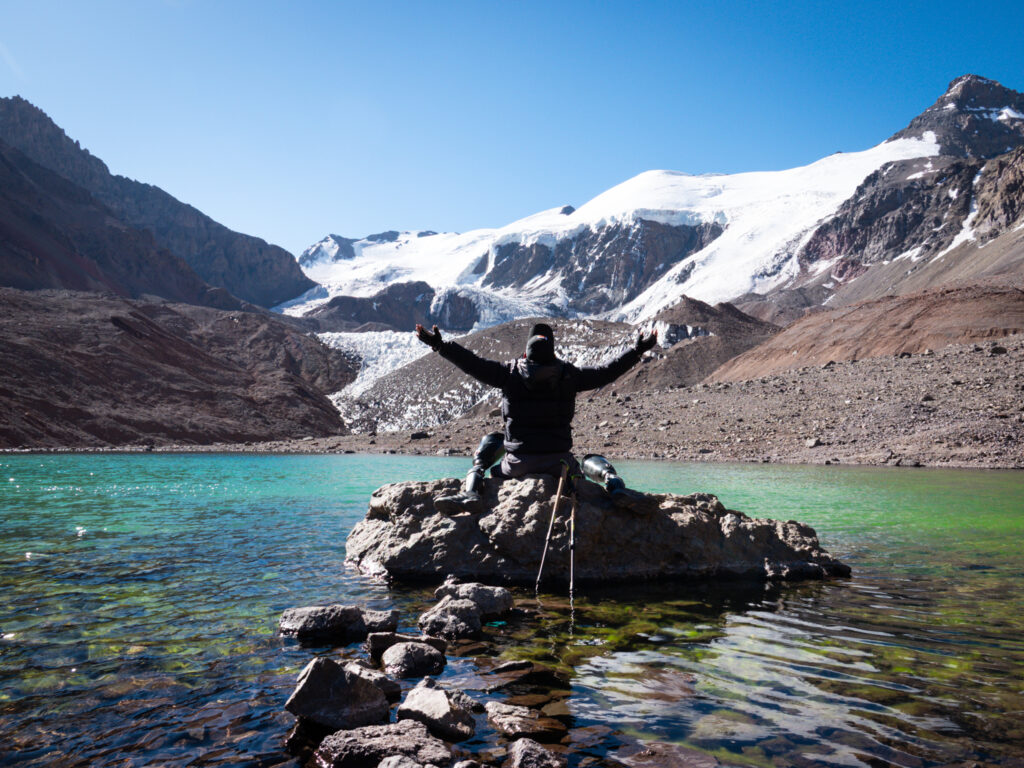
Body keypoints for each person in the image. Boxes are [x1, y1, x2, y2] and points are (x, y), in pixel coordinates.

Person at [414, 320, 658, 512]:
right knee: (590, 459)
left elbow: (472, 363)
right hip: (559, 464)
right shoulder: (569, 375)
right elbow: (607, 372)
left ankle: (472, 490)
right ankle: (614, 485)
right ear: (552, 350)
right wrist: (636, 351)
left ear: (526, 352)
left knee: (493, 440)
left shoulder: (508, 373)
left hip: (517, 465)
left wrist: (440, 345)